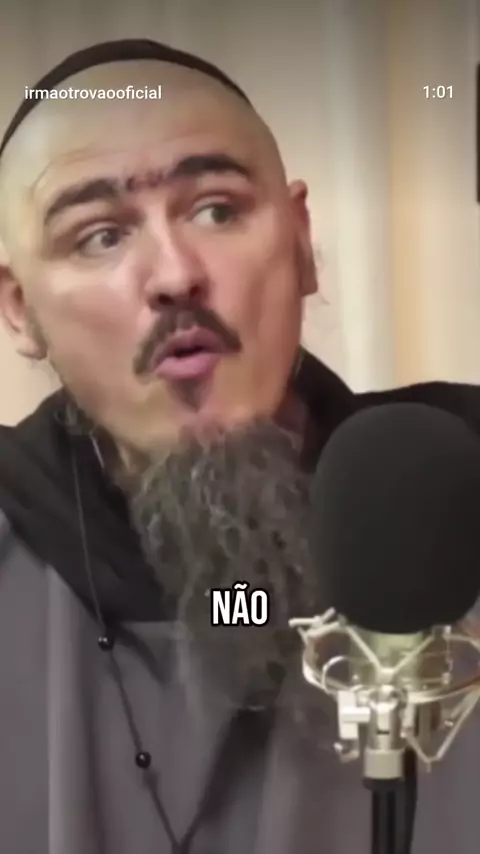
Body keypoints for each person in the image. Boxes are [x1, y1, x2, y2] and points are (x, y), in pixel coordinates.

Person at [0, 38, 479, 854]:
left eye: (216, 210)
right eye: (100, 235)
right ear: (19, 309)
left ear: (299, 240)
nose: (175, 274)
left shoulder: (455, 496)